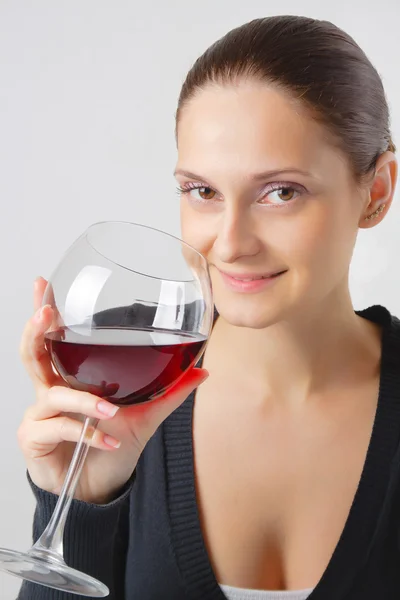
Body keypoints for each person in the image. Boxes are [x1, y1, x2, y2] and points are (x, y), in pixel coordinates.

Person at [17, 14, 400, 600]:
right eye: (203, 191)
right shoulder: (122, 381)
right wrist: (81, 502)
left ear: (374, 192)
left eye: (281, 192)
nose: (230, 242)